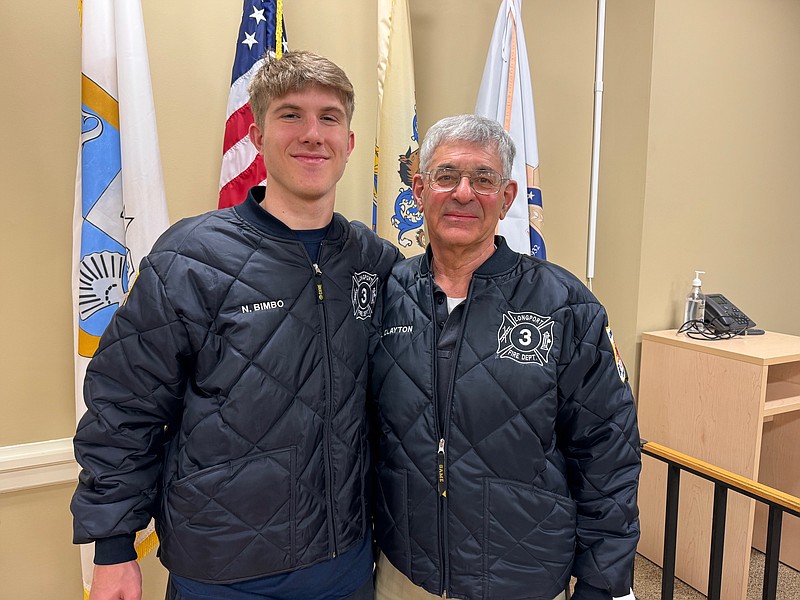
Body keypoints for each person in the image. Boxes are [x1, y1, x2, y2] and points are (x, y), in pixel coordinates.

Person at [71, 50, 399, 600]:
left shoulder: (374, 260)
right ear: (257, 132)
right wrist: (113, 547)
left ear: (349, 139)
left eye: (329, 117)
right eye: (290, 115)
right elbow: (124, 406)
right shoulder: (192, 256)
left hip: (345, 564)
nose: (312, 133)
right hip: (221, 570)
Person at [369, 114, 640, 600]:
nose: (464, 193)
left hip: (522, 578)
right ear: (418, 189)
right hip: (405, 575)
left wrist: (603, 579)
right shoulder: (387, 295)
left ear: (508, 197)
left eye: (484, 179)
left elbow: (607, 450)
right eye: (447, 176)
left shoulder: (564, 304)